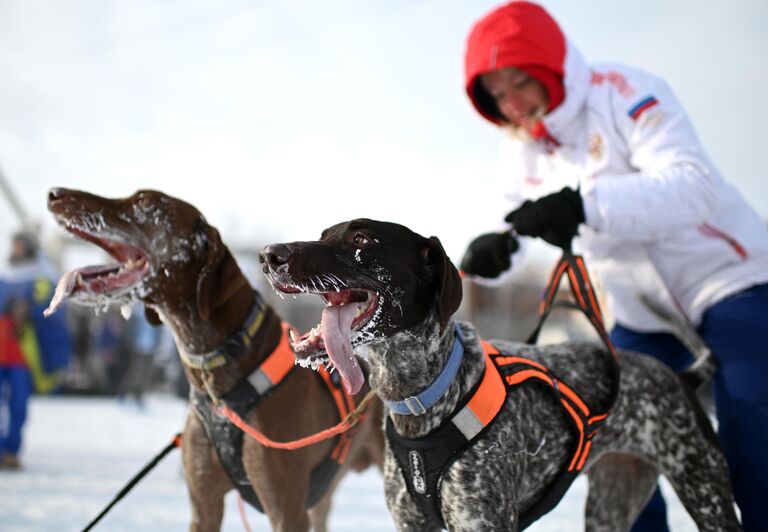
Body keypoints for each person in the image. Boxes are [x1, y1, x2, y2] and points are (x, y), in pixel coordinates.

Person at [460, 2, 768, 530]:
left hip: (729, 281)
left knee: (750, 422)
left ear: (550, 67)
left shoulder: (622, 92)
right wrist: (497, 256)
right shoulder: (519, 158)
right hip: (638, 311)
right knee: (615, 435)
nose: (511, 103)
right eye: (496, 94)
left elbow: (693, 187)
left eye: (519, 82)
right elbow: (523, 237)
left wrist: (585, 204)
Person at [0, 230, 71, 469]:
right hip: (1, 350)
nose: (15, 249)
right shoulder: (4, 277)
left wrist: (30, 312)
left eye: (19, 245)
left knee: (18, 406)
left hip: (23, 354)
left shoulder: (42, 279)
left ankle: (12, 451)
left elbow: (54, 311)